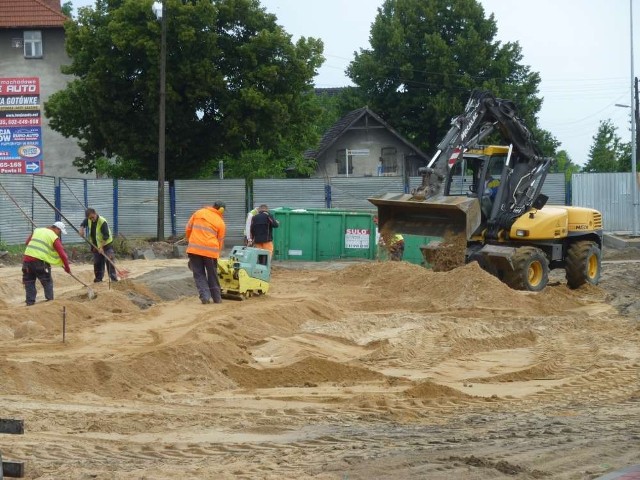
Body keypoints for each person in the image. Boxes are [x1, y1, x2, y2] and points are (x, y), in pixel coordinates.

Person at [185, 201, 226, 304]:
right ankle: (217, 298)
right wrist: (217, 253)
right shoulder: (220, 222)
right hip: (211, 252)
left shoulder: (198, 213)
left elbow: (188, 228)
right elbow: (220, 240)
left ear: (212, 206)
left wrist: (191, 241)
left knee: (199, 274)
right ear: (222, 210)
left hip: (194, 249)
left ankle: (205, 297)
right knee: (212, 274)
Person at [22, 221, 72, 306]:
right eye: (60, 232)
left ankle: (30, 304)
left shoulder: (37, 230)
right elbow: (63, 255)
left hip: (26, 261)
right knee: (47, 281)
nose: (59, 234)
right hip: (39, 262)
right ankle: (50, 303)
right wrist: (67, 268)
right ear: (56, 229)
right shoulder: (54, 237)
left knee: (29, 282)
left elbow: (27, 243)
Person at [79, 208, 118, 283]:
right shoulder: (89, 219)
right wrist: (81, 229)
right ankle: (98, 279)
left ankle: (113, 279)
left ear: (95, 213)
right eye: (90, 218)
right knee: (97, 262)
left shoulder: (102, 221)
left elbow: (106, 236)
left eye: (92, 217)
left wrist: (101, 247)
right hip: (95, 245)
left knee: (109, 260)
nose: (92, 219)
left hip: (106, 245)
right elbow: (83, 223)